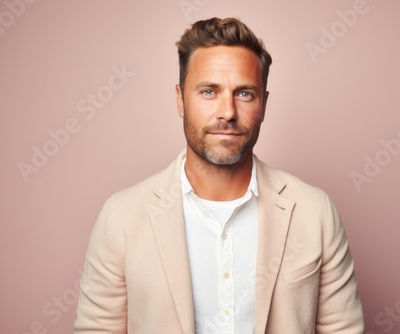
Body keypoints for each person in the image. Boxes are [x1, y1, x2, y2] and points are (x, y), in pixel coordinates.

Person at [74, 17, 364, 334]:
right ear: (180, 99)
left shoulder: (315, 211)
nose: (227, 112)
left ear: (264, 104)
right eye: (209, 91)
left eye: (244, 94)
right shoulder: (121, 217)